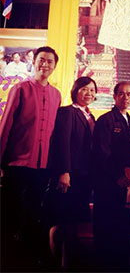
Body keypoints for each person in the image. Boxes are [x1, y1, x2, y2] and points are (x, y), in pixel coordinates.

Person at [0, 46, 61, 271]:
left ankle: (27, 261)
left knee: (34, 215)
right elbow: (5, 125)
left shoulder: (56, 95)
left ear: (55, 66)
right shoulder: (20, 89)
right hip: (17, 164)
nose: (45, 65)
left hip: (42, 167)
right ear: (33, 62)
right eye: (41, 60)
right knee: (10, 215)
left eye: (49, 62)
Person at [46, 76, 97, 270]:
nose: (88, 93)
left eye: (92, 90)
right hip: (69, 176)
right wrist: (64, 171)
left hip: (83, 178)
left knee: (73, 224)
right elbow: (62, 143)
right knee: (61, 223)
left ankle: (68, 264)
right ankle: (55, 265)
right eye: (84, 89)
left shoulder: (90, 116)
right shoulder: (67, 112)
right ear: (75, 90)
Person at [92, 81, 130, 271]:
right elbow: (102, 153)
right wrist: (117, 176)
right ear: (114, 96)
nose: (125, 97)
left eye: (129, 94)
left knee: (124, 227)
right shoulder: (105, 120)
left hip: (126, 184)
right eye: (121, 93)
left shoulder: (129, 121)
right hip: (109, 184)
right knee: (107, 228)